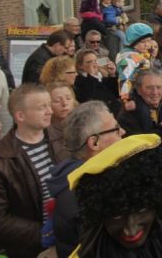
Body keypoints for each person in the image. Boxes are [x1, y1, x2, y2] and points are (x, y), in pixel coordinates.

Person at [0, 84, 59, 258]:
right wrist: (44, 233)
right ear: (20, 116)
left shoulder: (62, 139)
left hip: (70, 236)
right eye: (41, 107)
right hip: (33, 248)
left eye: (49, 105)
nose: (50, 111)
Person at [46, 101, 125, 258]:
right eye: (116, 129)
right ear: (94, 143)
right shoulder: (88, 194)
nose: (123, 131)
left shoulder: (81, 178)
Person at [117, 68, 162, 146]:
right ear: (139, 90)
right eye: (149, 88)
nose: (155, 92)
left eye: (158, 87)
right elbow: (142, 144)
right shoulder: (127, 116)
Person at [73, 48, 120, 114]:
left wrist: (112, 75)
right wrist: (91, 75)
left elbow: (117, 93)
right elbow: (88, 98)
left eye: (95, 61)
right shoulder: (79, 81)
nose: (94, 64)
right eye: (89, 62)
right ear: (80, 66)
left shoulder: (102, 77)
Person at [47, 81, 77, 163]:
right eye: (57, 101)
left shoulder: (85, 124)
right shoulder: (44, 133)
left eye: (68, 98)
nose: (64, 103)